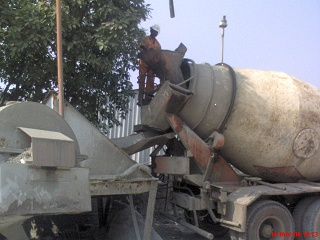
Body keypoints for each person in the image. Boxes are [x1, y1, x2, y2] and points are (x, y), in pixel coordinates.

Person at [138, 24, 161, 106]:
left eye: (156, 32)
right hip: (144, 62)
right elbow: (141, 46)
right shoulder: (145, 39)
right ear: (151, 30)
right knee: (142, 79)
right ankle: (140, 98)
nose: (154, 33)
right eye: (153, 31)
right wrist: (148, 51)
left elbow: (159, 55)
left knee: (150, 81)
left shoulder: (158, 44)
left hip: (152, 65)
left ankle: (148, 98)